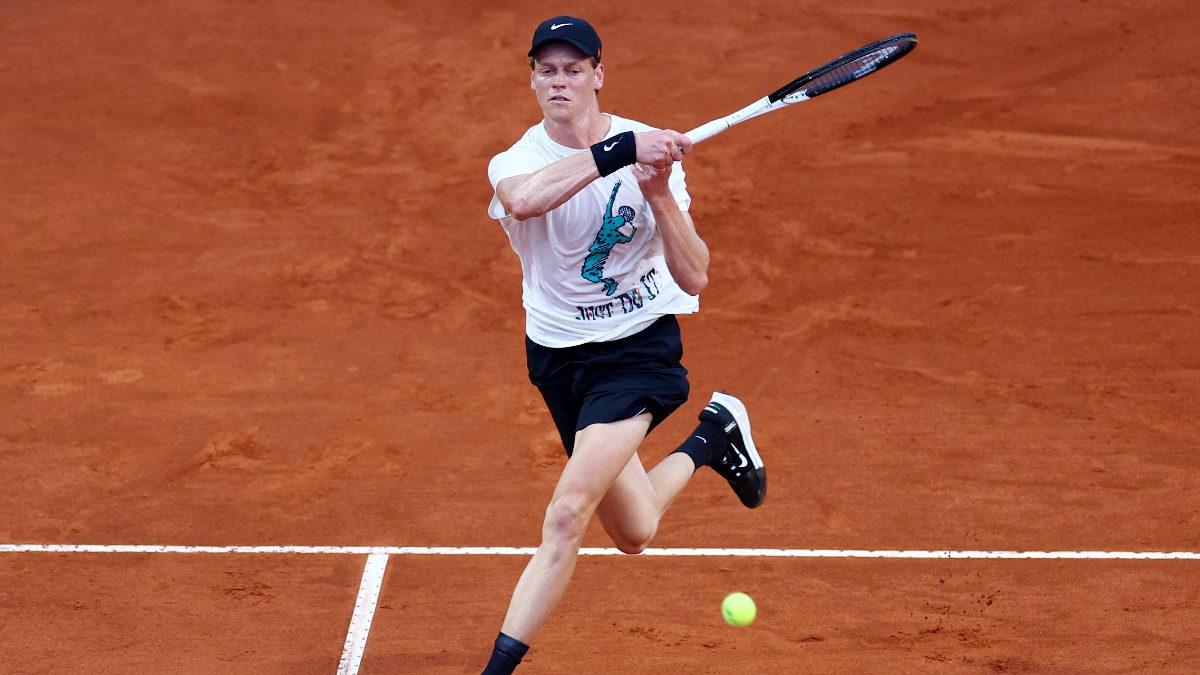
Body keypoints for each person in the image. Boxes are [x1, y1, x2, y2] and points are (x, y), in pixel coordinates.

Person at [481, 16, 768, 673]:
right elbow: (525, 201)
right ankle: (714, 437)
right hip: (559, 358)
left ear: (598, 77)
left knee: (566, 514)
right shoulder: (516, 161)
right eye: (547, 70)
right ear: (533, 80)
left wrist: (659, 192)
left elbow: (695, 275)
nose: (559, 80)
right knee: (634, 530)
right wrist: (620, 152)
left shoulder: (648, 157)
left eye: (573, 69)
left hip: (637, 351)